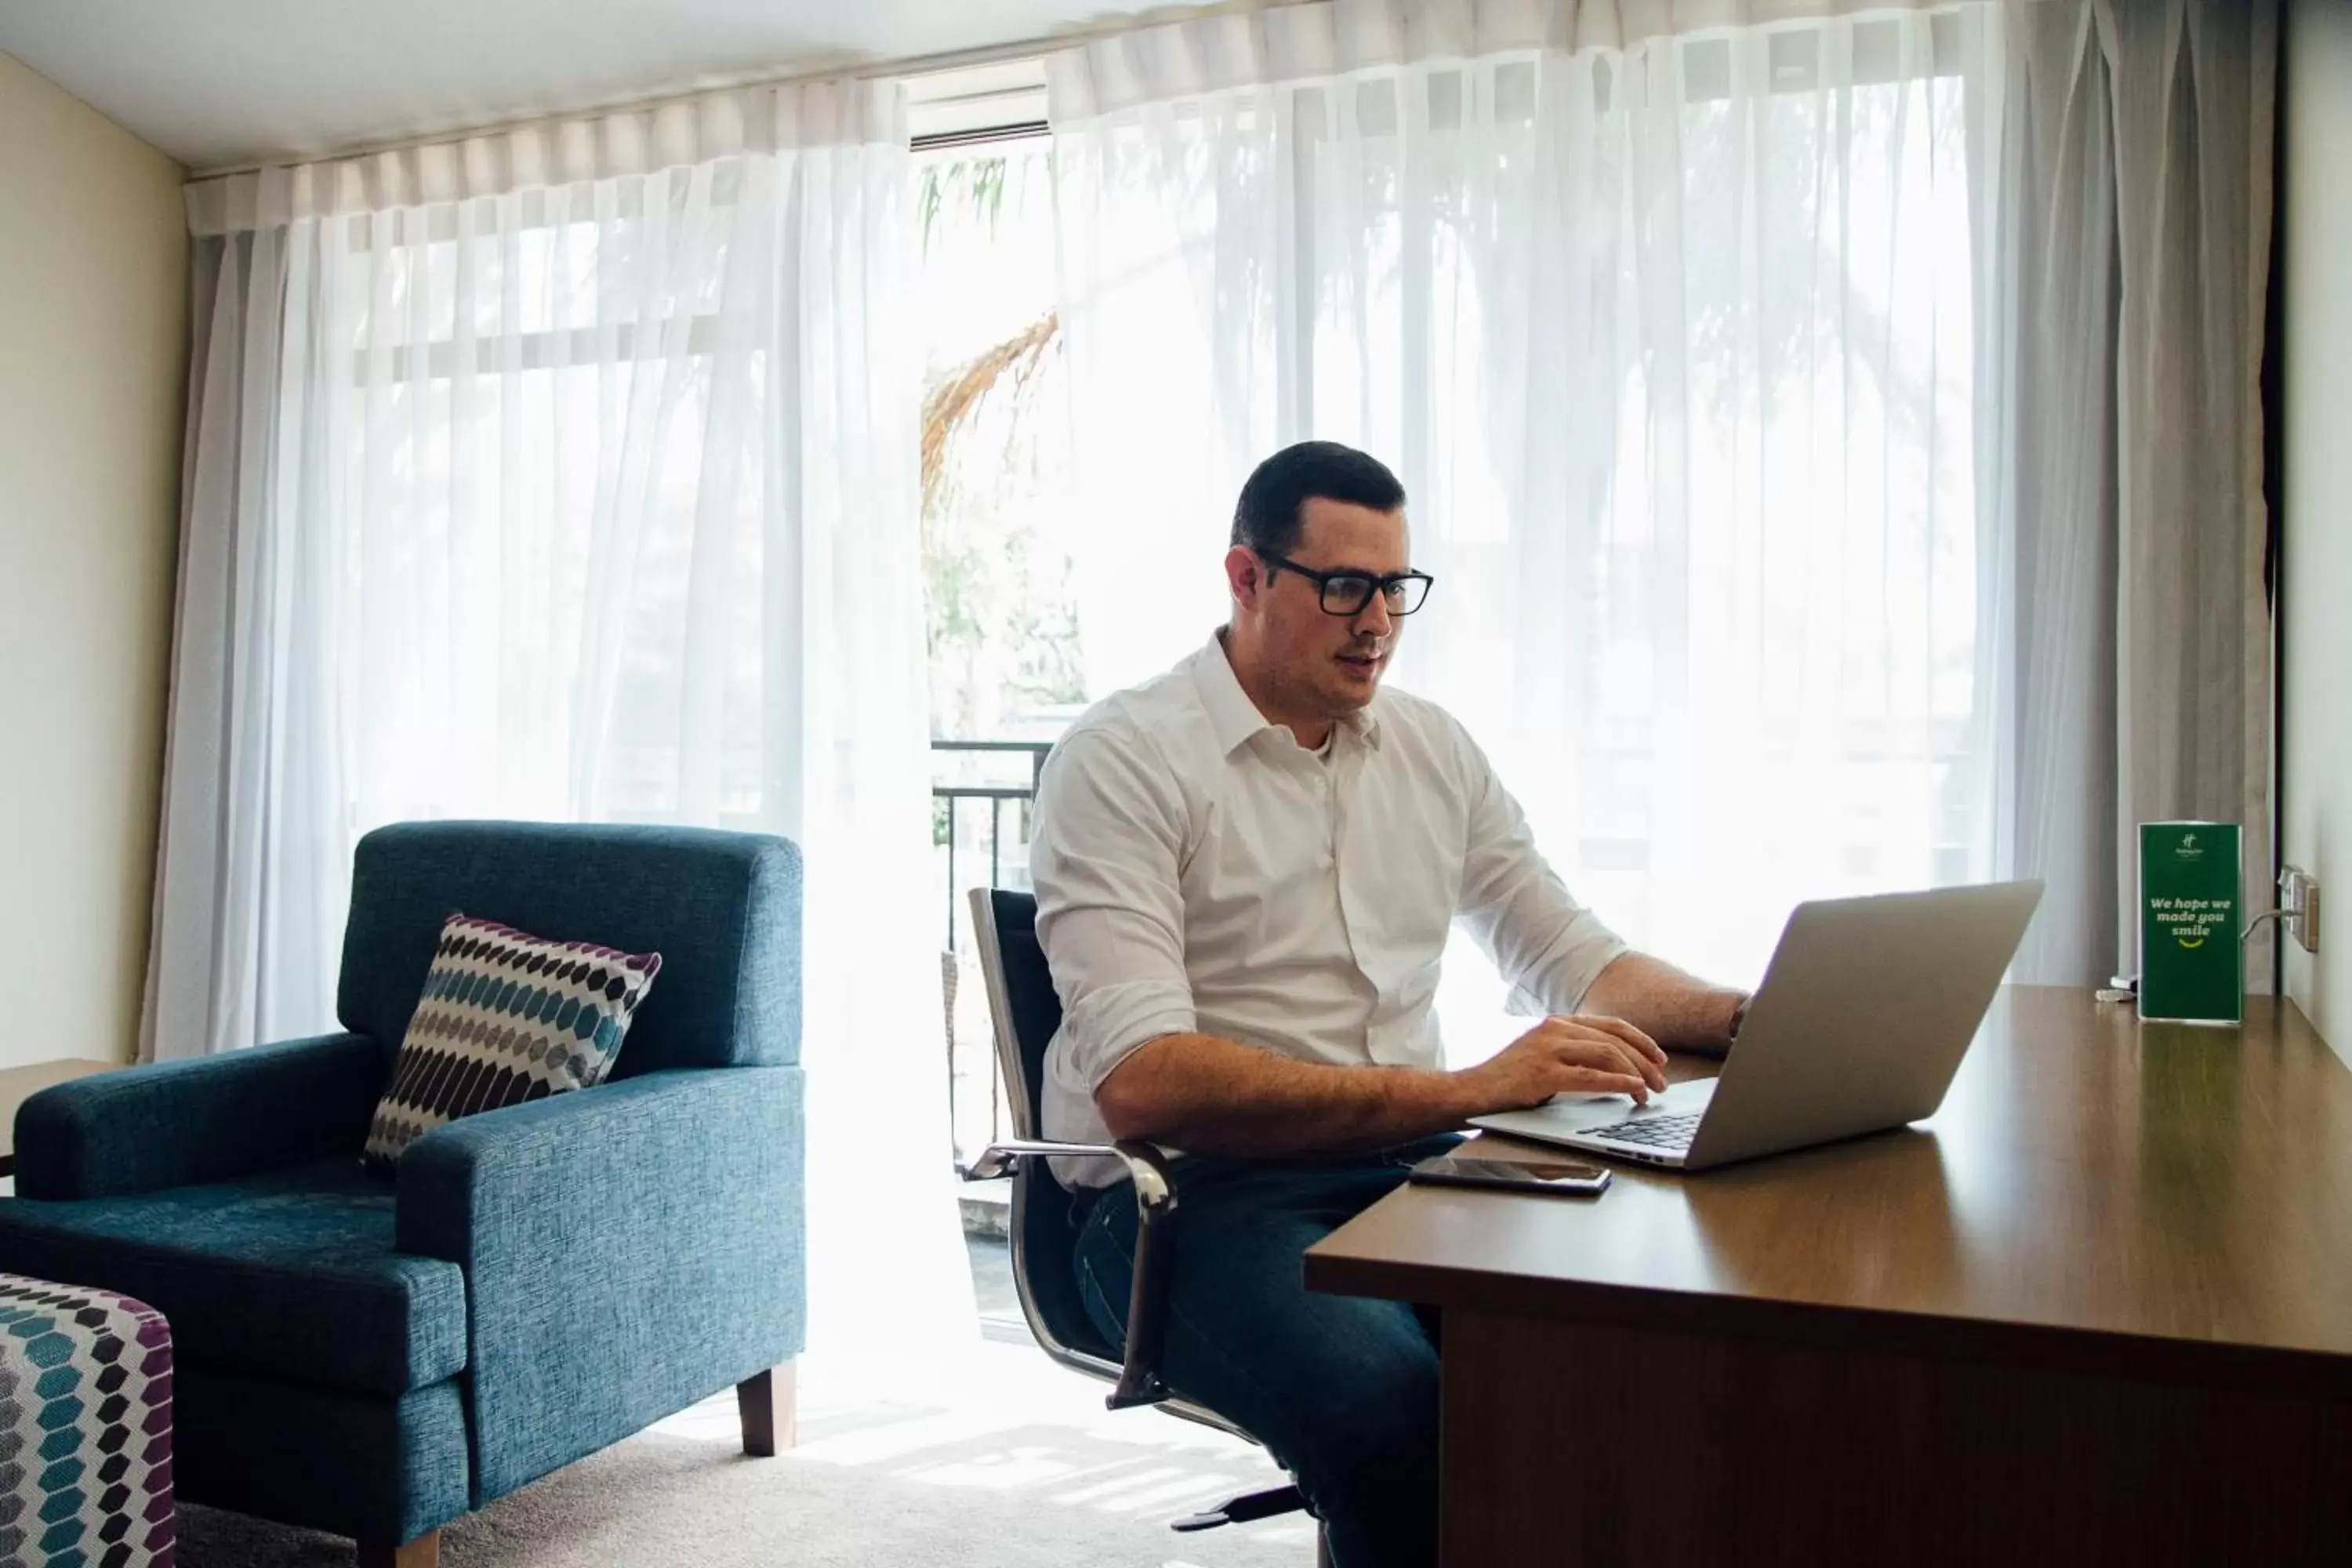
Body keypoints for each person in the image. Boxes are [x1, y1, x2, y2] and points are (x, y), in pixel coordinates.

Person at [1029, 440, 1746, 1568]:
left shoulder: (1431, 750)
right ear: (1247, 577)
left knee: (1624, 1363)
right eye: (1344, 587)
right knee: (1398, 1420)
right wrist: (1466, 1091)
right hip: (1188, 1202)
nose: (1378, 622)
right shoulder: (1123, 759)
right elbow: (1145, 1082)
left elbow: (1574, 953)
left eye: (1397, 589)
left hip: (1415, 1171)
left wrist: (1746, 1019)